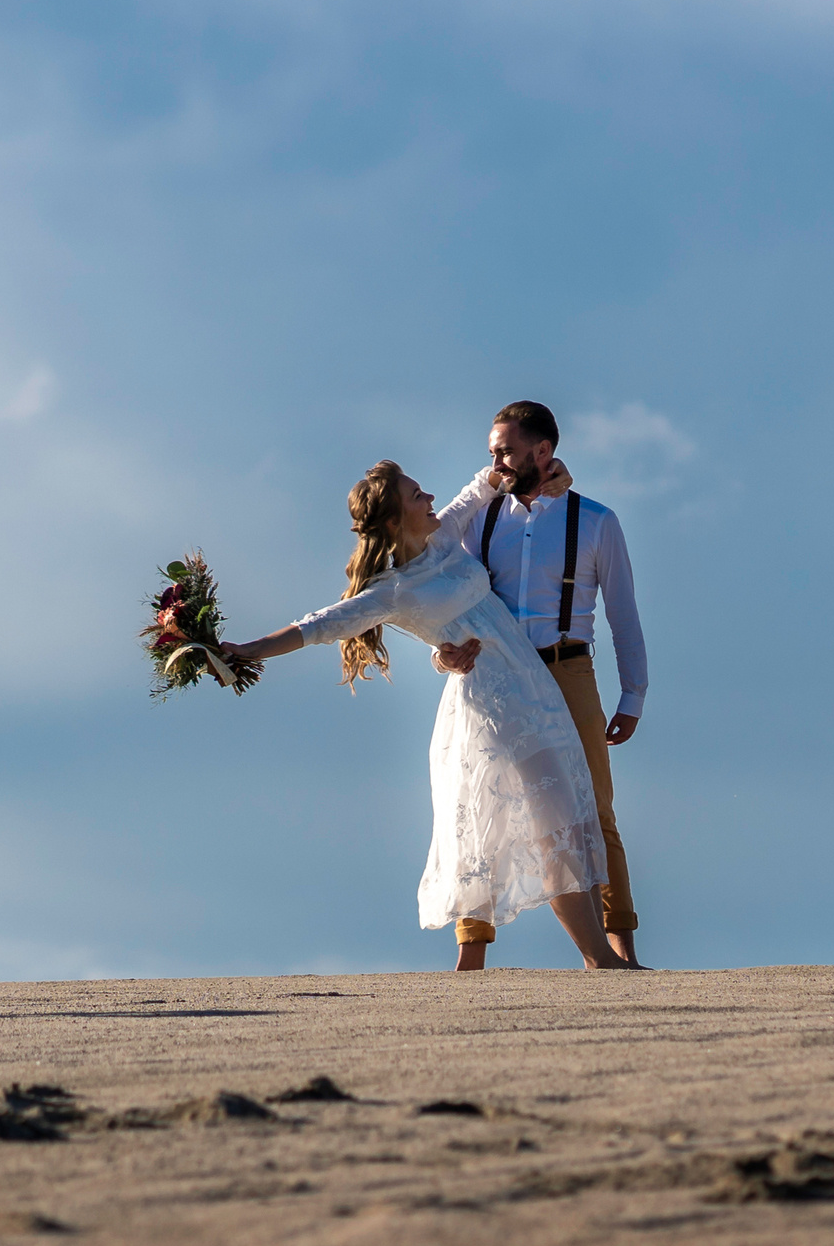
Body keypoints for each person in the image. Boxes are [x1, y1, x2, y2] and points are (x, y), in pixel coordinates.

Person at [215, 460, 636, 971]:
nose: (430, 497)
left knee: (568, 819)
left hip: (536, 693)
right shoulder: (391, 591)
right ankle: (598, 958)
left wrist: (538, 469)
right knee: (553, 827)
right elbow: (317, 626)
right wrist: (247, 650)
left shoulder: (444, 537)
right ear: (395, 521)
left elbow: (480, 487)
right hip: (497, 709)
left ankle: (591, 959)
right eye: (416, 495)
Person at [428, 401, 649, 971]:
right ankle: (470, 956)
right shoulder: (480, 519)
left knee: (594, 808)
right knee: (478, 807)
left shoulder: (595, 520)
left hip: (567, 669)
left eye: (505, 451)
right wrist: (442, 651)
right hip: (496, 675)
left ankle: (620, 951)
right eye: (492, 451)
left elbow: (623, 614)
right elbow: (448, 593)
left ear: (542, 450)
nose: (496, 461)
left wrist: (633, 695)